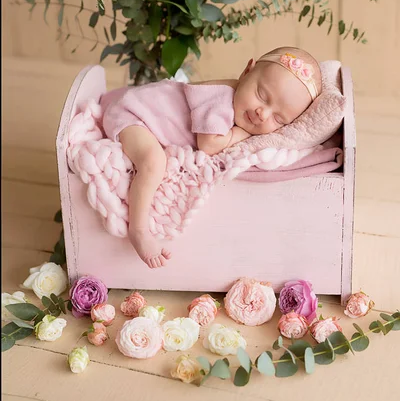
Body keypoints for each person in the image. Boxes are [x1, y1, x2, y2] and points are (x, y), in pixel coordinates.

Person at [100, 46, 322, 269]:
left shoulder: (242, 105)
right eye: (262, 95)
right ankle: (138, 230)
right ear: (246, 71)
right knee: (154, 162)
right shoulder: (220, 98)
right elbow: (208, 145)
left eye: (279, 119)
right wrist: (239, 134)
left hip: (140, 111)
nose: (261, 113)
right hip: (132, 116)